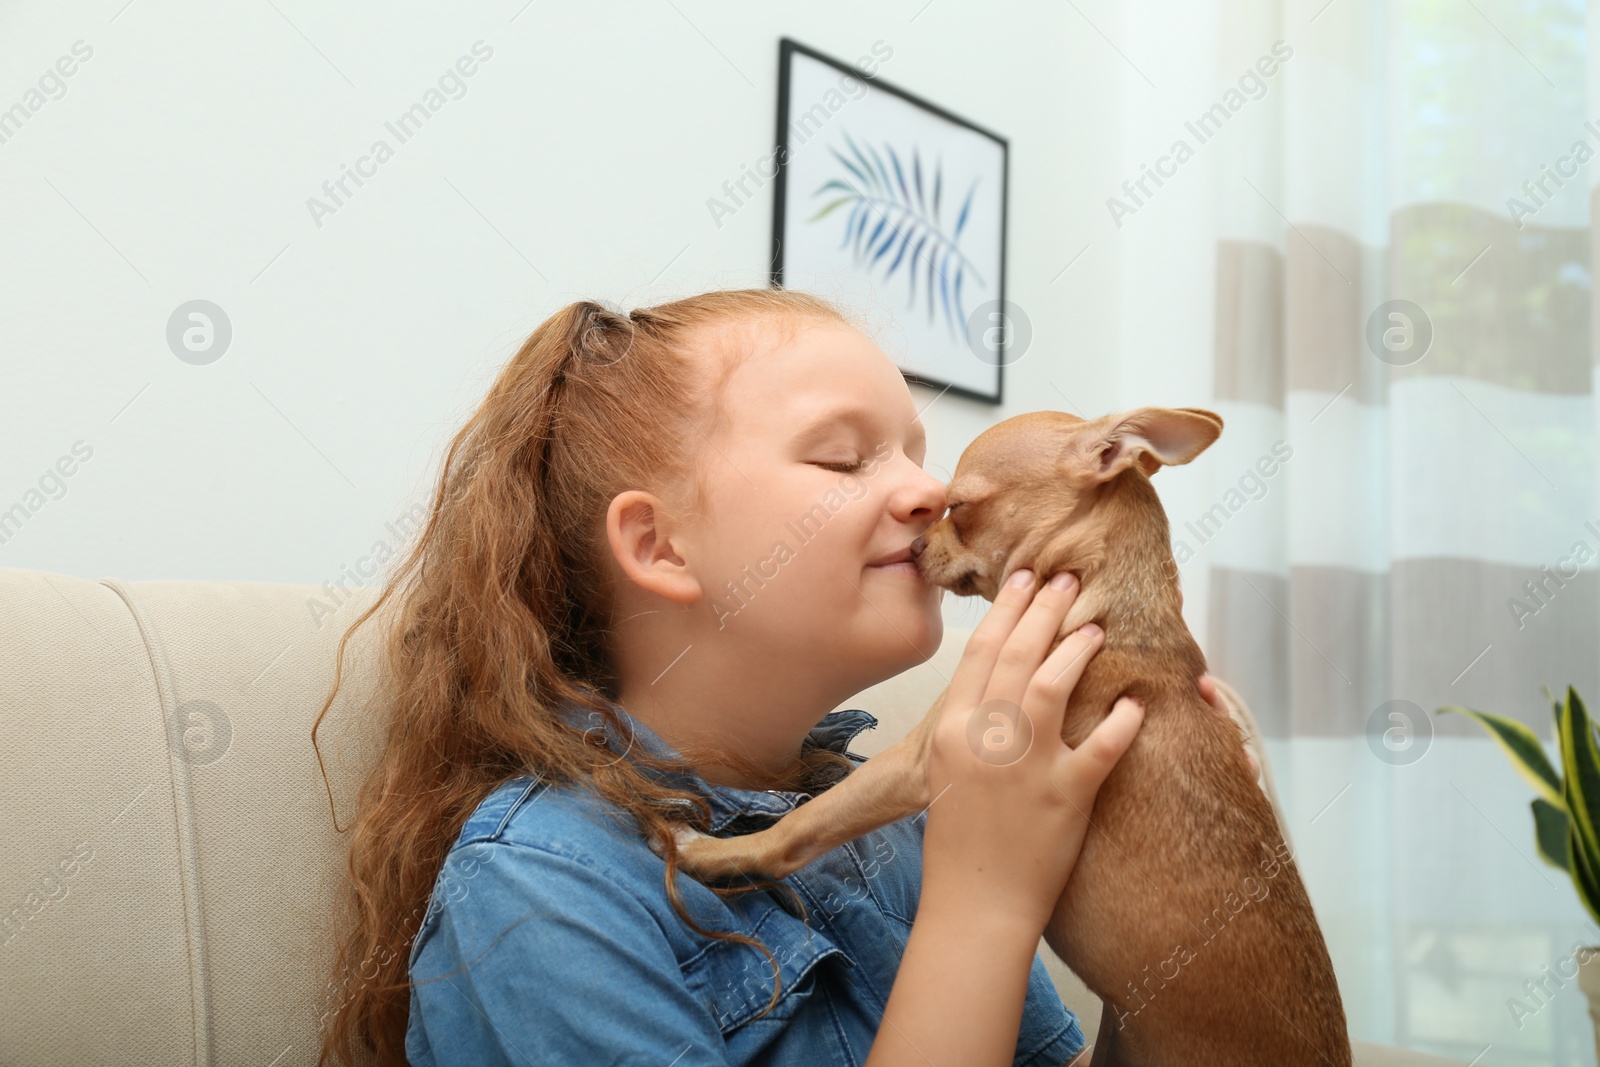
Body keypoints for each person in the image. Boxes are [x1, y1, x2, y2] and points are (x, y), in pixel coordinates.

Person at [313, 289, 1250, 1066]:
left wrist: (1184, 896)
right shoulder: (539, 895)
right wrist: (987, 904)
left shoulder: (907, 828)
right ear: (658, 544)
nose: (929, 493)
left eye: (918, 456)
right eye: (845, 458)